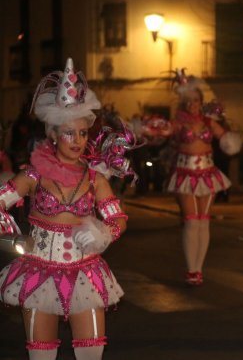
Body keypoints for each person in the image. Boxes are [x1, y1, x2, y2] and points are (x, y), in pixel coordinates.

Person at [0, 58, 131, 360]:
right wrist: (11, 233)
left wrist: (104, 234)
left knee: (92, 352)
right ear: (54, 134)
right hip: (38, 271)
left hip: (86, 272)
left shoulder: (95, 176)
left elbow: (118, 219)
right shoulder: (33, 173)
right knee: (41, 355)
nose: (77, 140)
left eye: (83, 133)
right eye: (69, 133)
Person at [166, 69, 241, 286]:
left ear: (201, 101)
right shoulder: (178, 122)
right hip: (184, 174)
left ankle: (199, 269)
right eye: (189, 101)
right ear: (183, 102)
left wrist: (230, 138)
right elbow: (162, 133)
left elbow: (227, 141)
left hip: (208, 174)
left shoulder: (209, 122)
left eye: (196, 100)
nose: (193, 104)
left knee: (203, 222)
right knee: (191, 221)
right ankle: (191, 269)